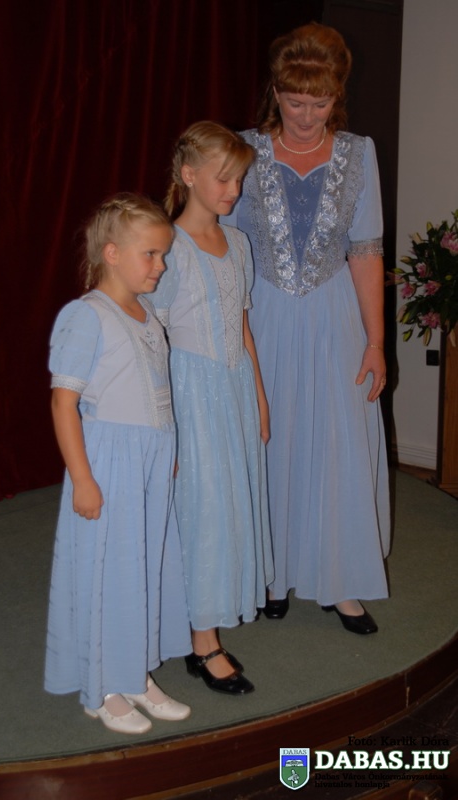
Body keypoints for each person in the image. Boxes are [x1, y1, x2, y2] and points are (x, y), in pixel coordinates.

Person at [224, 23, 390, 634]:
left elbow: (365, 250)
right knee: (269, 438)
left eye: (319, 103)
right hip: (259, 315)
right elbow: (223, 247)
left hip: (334, 316)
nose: (306, 115)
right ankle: (270, 574)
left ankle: (340, 581)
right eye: (295, 101)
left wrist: (376, 343)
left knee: (338, 443)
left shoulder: (360, 153)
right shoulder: (242, 151)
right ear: (276, 91)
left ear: (336, 96)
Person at [44, 193, 192, 734]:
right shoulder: (86, 316)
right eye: (150, 254)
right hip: (108, 463)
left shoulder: (146, 313)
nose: (161, 266)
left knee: (142, 568)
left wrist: (166, 452)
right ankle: (102, 688)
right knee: (107, 571)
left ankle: (133, 673)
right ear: (111, 253)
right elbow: (63, 404)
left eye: (163, 255)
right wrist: (83, 479)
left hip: (149, 463)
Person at [147, 121, 274, 694]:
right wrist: (163, 418)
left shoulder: (239, 244)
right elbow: (152, 338)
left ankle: (208, 619)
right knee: (201, 508)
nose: (234, 190)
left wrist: (259, 396)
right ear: (188, 174)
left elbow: (242, 325)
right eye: (223, 179)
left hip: (235, 389)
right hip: (190, 395)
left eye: (239, 179)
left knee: (229, 503)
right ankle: (203, 643)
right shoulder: (168, 248)